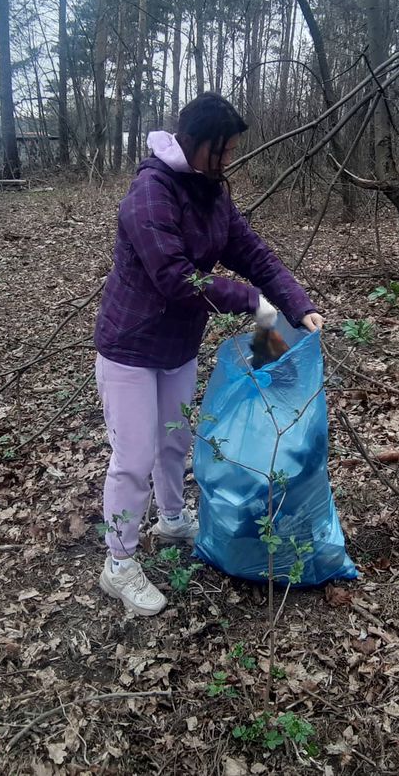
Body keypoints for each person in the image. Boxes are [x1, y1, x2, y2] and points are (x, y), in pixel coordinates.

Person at [94, 93, 325, 616]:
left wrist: (294, 306)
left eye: (232, 152)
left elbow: (252, 253)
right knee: (132, 460)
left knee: (173, 442)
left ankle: (172, 519)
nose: (227, 162)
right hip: (129, 348)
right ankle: (119, 563)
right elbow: (177, 279)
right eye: (220, 151)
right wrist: (253, 302)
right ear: (193, 143)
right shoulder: (150, 193)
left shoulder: (212, 193)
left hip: (176, 347)